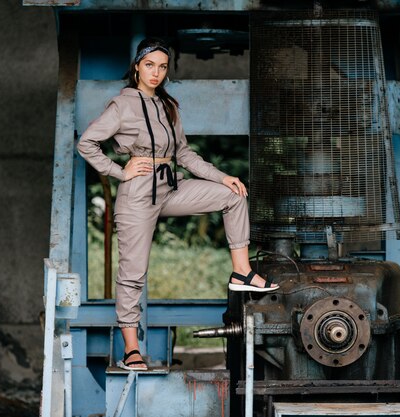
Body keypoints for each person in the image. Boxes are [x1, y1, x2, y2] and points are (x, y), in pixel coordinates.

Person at [77, 37, 279, 371]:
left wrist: (221, 176)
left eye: (162, 66)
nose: (156, 73)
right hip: (138, 194)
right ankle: (131, 349)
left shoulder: (168, 105)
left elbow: (183, 153)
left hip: (171, 187)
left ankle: (242, 272)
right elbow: (87, 143)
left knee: (233, 195)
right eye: (149, 65)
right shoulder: (122, 105)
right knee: (133, 274)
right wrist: (119, 171)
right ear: (137, 67)